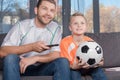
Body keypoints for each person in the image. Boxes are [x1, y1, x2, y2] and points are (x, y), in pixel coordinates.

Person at [0, 0, 71, 80]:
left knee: (63, 62)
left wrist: (35, 58)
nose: (48, 13)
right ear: (36, 10)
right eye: (44, 8)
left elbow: (56, 54)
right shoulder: (21, 26)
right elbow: (2, 51)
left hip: (43, 67)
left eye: (52, 10)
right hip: (21, 66)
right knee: (10, 58)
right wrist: (32, 47)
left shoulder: (56, 28)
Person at [60, 12, 108, 80]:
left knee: (98, 71)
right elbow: (63, 64)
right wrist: (73, 66)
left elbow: (98, 56)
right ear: (70, 28)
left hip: (90, 67)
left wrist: (99, 62)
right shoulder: (64, 42)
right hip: (74, 68)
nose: (79, 25)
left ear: (86, 27)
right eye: (75, 23)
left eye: (82, 23)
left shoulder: (90, 41)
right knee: (73, 74)